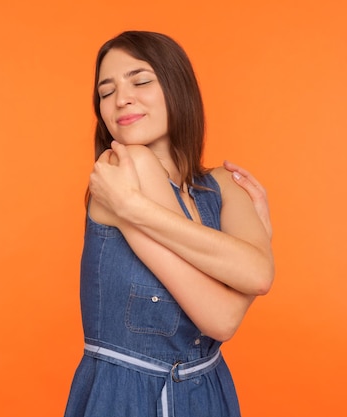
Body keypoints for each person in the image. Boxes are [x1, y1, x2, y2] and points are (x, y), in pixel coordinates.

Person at [64, 30, 274, 417]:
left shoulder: (224, 184)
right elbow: (222, 319)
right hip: (126, 399)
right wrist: (253, 254)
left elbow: (258, 274)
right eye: (106, 92)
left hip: (208, 393)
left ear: (179, 87)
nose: (121, 99)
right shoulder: (124, 169)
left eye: (140, 80)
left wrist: (136, 210)